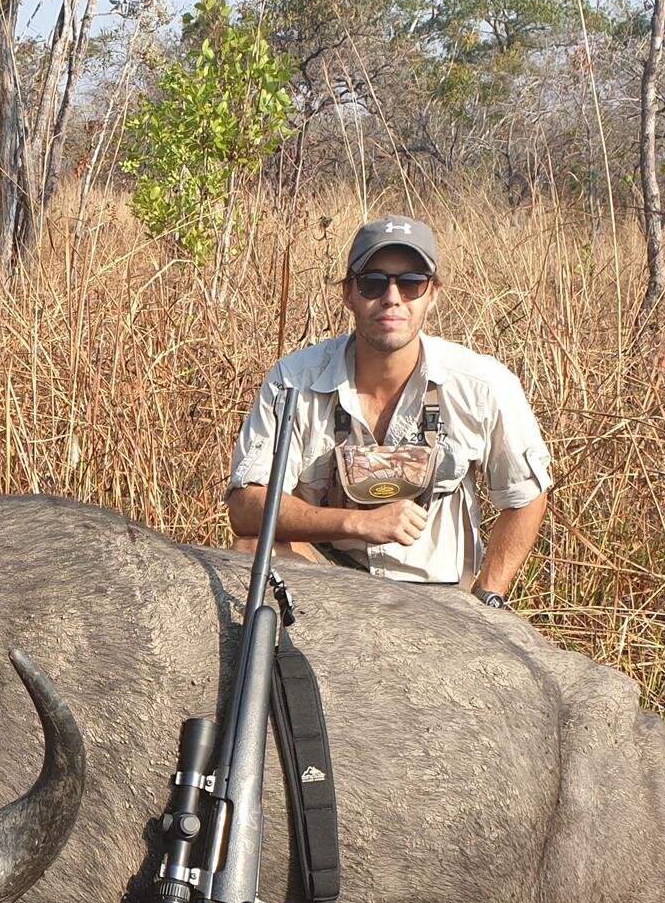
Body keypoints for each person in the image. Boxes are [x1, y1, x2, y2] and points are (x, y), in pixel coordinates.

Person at [225, 216, 553, 609]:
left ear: (432, 294)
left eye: (411, 282)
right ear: (348, 293)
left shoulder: (483, 385)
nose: (392, 297)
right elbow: (246, 508)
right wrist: (358, 524)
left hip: (442, 596)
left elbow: (526, 497)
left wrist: (488, 597)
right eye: (373, 283)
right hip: (327, 577)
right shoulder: (293, 381)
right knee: (250, 548)